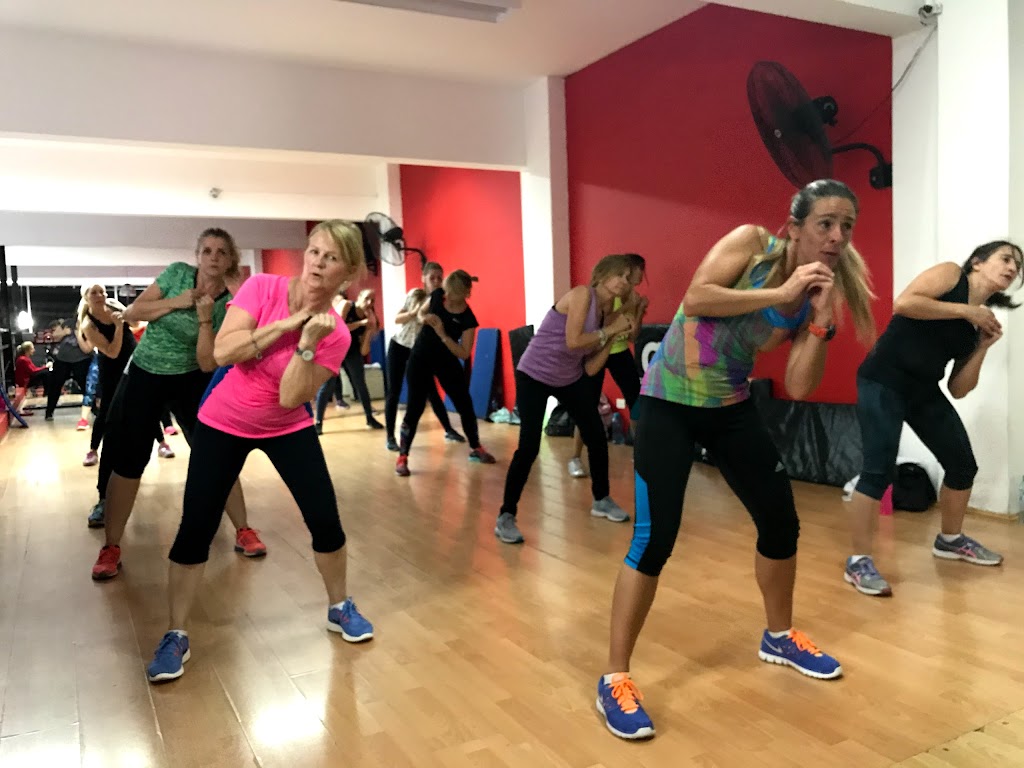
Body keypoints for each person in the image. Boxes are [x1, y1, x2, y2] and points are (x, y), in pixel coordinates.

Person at [596, 179, 877, 740]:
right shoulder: (752, 245)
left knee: (781, 522)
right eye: (825, 223)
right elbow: (698, 297)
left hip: (730, 406)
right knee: (654, 539)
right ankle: (614, 678)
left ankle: (779, 636)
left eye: (846, 226)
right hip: (668, 403)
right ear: (794, 227)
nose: (837, 236)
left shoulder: (818, 294)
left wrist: (820, 318)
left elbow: (799, 385)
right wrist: (782, 292)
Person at [145, 220, 374, 683]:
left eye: (330, 258)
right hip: (223, 421)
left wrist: (306, 345)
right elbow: (224, 353)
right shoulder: (262, 288)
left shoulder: (336, 335)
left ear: (347, 272)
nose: (317, 263)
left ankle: (339, 605)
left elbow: (290, 397)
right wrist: (288, 324)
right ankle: (175, 633)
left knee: (325, 520)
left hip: (287, 426)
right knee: (196, 527)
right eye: (313, 251)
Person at [843, 241, 1021, 597]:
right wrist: (967, 312)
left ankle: (950, 540)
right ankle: (858, 561)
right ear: (977, 262)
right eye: (1006, 259)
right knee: (878, 470)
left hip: (923, 389)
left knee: (962, 465)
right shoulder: (951, 275)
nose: (1012, 268)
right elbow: (905, 303)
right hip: (883, 379)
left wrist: (982, 347)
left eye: (1017, 266)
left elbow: (958, 388)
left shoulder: (979, 322)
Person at [90, 228, 266, 580]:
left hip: (192, 377)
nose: (213, 257)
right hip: (145, 373)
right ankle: (111, 546)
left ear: (230, 259)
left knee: (217, 454)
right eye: (207, 251)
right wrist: (177, 301)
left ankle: (244, 529)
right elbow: (135, 312)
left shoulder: (232, 301)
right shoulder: (176, 275)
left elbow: (207, 362)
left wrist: (206, 318)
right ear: (197, 257)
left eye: (221, 252)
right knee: (128, 461)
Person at [495, 255, 637, 545]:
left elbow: (590, 368)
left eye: (628, 277)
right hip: (534, 374)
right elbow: (574, 341)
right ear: (602, 274)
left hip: (568, 377)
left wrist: (612, 338)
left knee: (596, 435)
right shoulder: (583, 295)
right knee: (529, 447)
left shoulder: (607, 312)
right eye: (619, 274)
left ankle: (601, 499)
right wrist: (610, 331)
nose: (624, 281)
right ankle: (506, 515)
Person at [395, 270, 495, 476]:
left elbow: (464, 353)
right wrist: (424, 318)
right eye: (446, 292)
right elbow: (420, 313)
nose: (446, 297)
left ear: (465, 294)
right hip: (420, 357)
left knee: (465, 405)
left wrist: (442, 334)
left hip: (446, 360)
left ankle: (476, 447)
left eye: (452, 294)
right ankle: (402, 456)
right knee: (415, 407)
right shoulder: (437, 295)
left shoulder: (467, 318)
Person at [568, 254, 648, 479]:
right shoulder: (605, 294)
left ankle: (641, 453)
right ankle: (575, 457)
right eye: (638, 271)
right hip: (596, 350)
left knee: (637, 401)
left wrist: (639, 310)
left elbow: (632, 335)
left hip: (619, 351)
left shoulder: (632, 296)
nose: (640, 277)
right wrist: (627, 308)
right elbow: (603, 324)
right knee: (587, 404)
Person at [384, 261, 465, 451]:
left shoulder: (443, 301)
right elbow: (397, 319)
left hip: (419, 351)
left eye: (439, 278)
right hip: (399, 345)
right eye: (432, 278)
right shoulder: (416, 295)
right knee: (394, 392)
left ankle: (448, 429)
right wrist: (416, 311)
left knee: (432, 392)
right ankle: (390, 438)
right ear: (424, 279)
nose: (436, 281)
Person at [315, 287, 384, 433]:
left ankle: (370, 418)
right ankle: (318, 422)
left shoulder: (368, 317)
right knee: (328, 386)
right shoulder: (347, 305)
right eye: (367, 298)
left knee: (361, 384)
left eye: (372, 300)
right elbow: (338, 328)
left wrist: (369, 329)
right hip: (334, 347)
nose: (369, 303)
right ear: (359, 297)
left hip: (351, 350)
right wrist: (361, 323)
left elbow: (364, 351)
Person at [43, 318, 93, 421]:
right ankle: (49, 412)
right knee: (55, 386)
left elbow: (88, 347)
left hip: (81, 359)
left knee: (86, 386)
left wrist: (78, 334)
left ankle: (95, 410)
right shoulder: (68, 323)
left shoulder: (88, 324)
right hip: (63, 359)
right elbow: (55, 336)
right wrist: (64, 333)